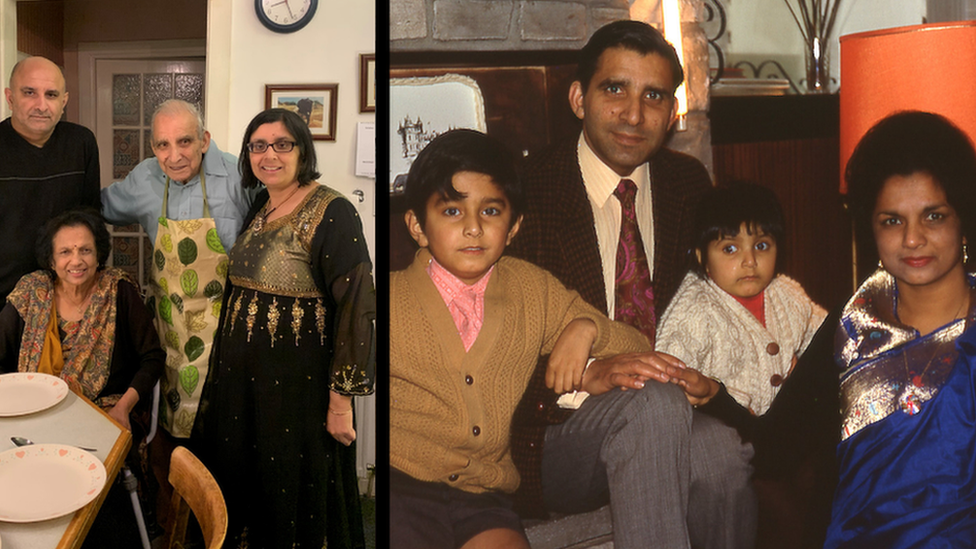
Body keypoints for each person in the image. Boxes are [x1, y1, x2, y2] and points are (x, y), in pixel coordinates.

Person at [664, 111, 976, 547]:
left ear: (963, 219)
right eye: (891, 220)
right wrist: (715, 395)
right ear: (870, 227)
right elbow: (776, 446)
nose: (912, 239)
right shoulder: (854, 327)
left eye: (934, 217)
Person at [507, 20, 756, 548]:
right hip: (552, 430)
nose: (633, 114)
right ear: (579, 97)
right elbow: (487, 352)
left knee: (722, 456)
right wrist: (592, 369)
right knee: (654, 406)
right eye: (615, 89)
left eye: (654, 96)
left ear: (672, 112)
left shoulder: (687, 185)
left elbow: (718, 307)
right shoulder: (524, 193)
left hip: (668, 408)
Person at [390, 129, 656, 549]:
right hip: (401, 489)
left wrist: (586, 328)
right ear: (418, 227)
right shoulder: (388, 299)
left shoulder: (533, 290)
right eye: (453, 212)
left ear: (513, 228)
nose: (474, 228)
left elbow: (637, 344)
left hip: (483, 497)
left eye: (491, 211)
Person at [193, 108, 375, 549]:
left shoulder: (333, 210)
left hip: (297, 392)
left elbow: (356, 306)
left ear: (301, 151)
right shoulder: (261, 204)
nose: (268, 154)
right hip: (245, 388)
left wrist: (339, 403)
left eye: (281, 144)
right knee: (250, 486)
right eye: (258, 145)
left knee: (293, 489)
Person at [0, 208, 165, 546]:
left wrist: (123, 407)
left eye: (85, 250)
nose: (77, 260)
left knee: (102, 496)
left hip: (102, 412)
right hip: (32, 418)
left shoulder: (118, 291)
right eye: (66, 251)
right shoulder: (31, 292)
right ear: (51, 259)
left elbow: (152, 359)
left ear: (98, 253)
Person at [101, 99, 257, 439]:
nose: (174, 156)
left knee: (224, 428)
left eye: (184, 141)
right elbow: (95, 210)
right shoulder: (144, 178)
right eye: (162, 145)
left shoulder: (240, 176)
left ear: (204, 140)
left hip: (225, 328)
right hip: (166, 327)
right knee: (165, 428)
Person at [655, 182, 826, 415]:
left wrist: (805, 373)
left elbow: (828, 336)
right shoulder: (695, 309)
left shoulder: (788, 294)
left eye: (762, 246)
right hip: (720, 426)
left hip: (786, 425)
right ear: (702, 257)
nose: (750, 261)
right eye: (730, 249)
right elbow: (670, 373)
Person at [0, 56, 100, 305]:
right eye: (30, 93)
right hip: (5, 301)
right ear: (10, 98)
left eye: (51, 95)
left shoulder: (81, 143)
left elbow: (91, 219)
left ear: (64, 101)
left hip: (68, 297)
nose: (41, 105)